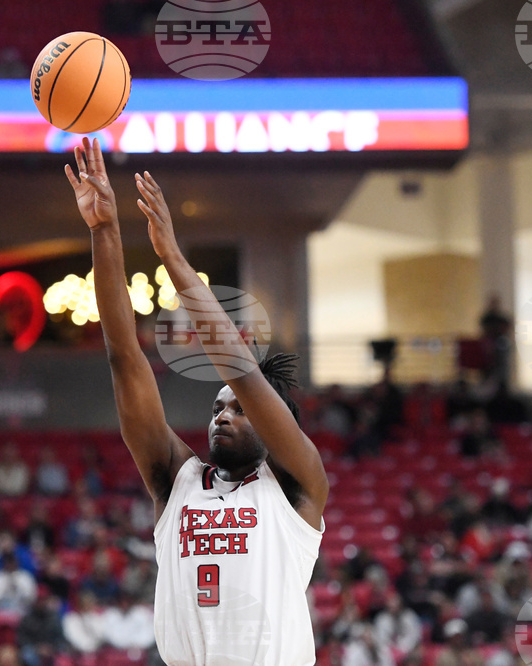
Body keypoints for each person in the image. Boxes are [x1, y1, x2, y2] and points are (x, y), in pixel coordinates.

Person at [64, 137, 328, 665]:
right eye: (217, 408)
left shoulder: (297, 486)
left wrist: (172, 258)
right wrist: (105, 233)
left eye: (239, 408)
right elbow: (125, 359)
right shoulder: (178, 479)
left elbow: (240, 369)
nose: (224, 414)